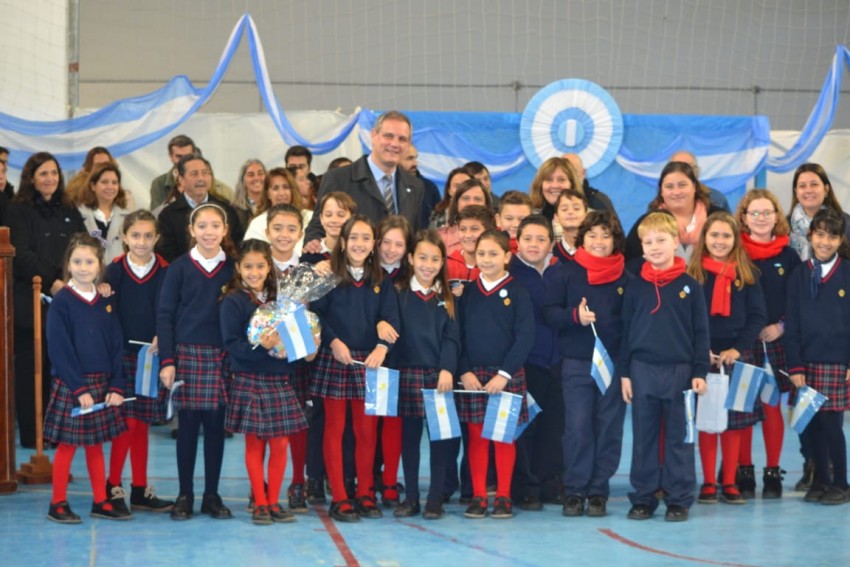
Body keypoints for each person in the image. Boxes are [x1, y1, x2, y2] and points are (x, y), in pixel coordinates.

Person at [309, 215, 401, 522]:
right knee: (334, 430)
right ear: (343, 242)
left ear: (374, 244)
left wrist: (382, 347)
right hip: (335, 359)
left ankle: (365, 492)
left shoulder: (381, 280)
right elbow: (316, 315)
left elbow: (392, 318)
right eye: (354, 238)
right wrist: (333, 341)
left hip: (369, 363)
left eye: (366, 238)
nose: (359, 244)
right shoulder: (328, 275)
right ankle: (339, 496)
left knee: (366, 432)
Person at [619, 212, 709, 522]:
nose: (655, 247)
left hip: (681, 373)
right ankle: (643, 497)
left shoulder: (691, 287)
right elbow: (625, 332)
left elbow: (701, 333)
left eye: (661, 240)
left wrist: (699, 372)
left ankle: (679, 498)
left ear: (675, 242)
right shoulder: (634, 288)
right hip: (642, 371)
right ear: (642, 248)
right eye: (648, 242)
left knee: (679, 438)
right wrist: (625, 373)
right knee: (643, 437)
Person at [544, 211, 631, 517]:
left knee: (609, 427)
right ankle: (575, 489)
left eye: (606, 235)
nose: (599, 241)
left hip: (613, 365)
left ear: (615, 240)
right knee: (578, 427)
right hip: (577, 364)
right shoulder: (565, 273)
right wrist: (574, 317)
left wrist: (627, 369)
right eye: (592, 235)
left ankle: (598, 491)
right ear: (582, 239)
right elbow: (549, 313)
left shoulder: (626, 278)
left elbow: (631, 326)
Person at [221, 239, 310, 524]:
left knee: (281, 443)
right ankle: (259, 502)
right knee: (255, 444)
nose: (254, 272)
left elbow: (296, 342)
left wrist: (307, 342)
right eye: (248, 266)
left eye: (260, 266)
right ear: (238, 268)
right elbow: (232, 344)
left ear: (268, 267)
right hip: (249, 378)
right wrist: (262, 345)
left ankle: (274, 501)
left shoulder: (281, 300)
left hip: (279, 379)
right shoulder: (233, 301)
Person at [157, 203, 235, 521]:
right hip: (187, 355)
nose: (209, 232)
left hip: (221, 356)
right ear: (191, 230)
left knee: (216, 429)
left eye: (215, 225)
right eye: (202, 226)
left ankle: (211, 496)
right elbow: (165, 315)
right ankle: (185, 494)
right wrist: (168, 360)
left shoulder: (234, 268)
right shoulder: (178, 268)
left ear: (225, 230)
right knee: (187, 428)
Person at [44, 233, 128, 523]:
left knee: (95, 444)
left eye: (89, 262)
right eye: (77, 261)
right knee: (67, 446)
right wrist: (79, 388)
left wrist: (117, 384)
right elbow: (59, 349)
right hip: (72, 385)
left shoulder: (106, 300)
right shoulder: (62, 302)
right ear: (68, 264)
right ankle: (57, 503)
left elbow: (116, 344)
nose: (83, 267)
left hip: (102, 382)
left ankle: (100, 501)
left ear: (99, 265)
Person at [4, 151, 86, 448]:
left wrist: (74, 280)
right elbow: (21, 253)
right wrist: (52, 281)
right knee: (32, 370)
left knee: (61, 368)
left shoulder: (69, 209)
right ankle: (33, 434)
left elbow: (82, 246)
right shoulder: (17, 210)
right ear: (31, 178)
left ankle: (58, 429)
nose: (50, 179)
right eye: (43, 174)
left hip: (67, 300)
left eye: (53, 173)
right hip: (31, 303)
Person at [686, 212, 767, 505]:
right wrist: (702, 349)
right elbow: (688, 318)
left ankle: (729, 482)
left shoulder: (748, 275)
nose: (720, 241)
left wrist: (738, 349)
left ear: (735, 240)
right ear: (704, 239)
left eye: (726, 236)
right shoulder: (693, 276)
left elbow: (757, 316)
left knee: (735, 423)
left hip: (738, 358)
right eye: (714, 235)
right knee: (708, 420)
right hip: (705, 357)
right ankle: (709, 482)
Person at [456, 230, 534, 519]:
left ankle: (503, 496)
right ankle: (479, 495)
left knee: (504, 438)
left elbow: (525, 337)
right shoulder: (467, 294)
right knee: (477, 438)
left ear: (507, 256)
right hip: (474, 378)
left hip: (505, 378)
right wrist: (464, 371)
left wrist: (504, 374)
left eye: (493, 254)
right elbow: (457, 337)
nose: (486, 259)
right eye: (481, 254)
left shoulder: (518, 292)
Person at [104, 210, 174, 514]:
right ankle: (112, 485)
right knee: (126, 423)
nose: (142, 241)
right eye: (135, 235)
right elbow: (106, 313)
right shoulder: (114, 270)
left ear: (157, 238)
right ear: (124, 237)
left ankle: (139, 488)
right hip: (122, 357)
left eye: (148, 235)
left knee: (141, 423)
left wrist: (163, 336)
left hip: (151, 357)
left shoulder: (166, 270)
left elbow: (169, 310)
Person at [785, 163, 850, 491]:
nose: (825, 241)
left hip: (836, 362)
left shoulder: (847, 273)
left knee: (831, 425)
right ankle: (819, 482)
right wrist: (794, 365)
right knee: (808, 421)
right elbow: (792, 323)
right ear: (810, 236)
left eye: (832, 236)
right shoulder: (799, 275)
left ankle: (840, 483)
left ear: (841, 239)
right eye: (820, 235)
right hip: (806, 362)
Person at [736, 189, 800, 498]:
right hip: (743, 342)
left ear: (776, 217)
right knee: (744, 408)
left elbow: (798, 301)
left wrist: (781, 326)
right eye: (755, 213)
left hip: (775, 342)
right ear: (744, 218)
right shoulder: (735, 253)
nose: (761, 218)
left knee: (771, 406)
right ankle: (744, 470)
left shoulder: (789, 256)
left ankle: (773, 471)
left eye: (767, 212)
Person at [393, 230, 460, 519]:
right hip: (407, 375)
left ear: (443, 262)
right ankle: (411, 498)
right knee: (409, 439)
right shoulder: (398, 293)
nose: (428, 265)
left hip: (439, 378)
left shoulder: (448, 297)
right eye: (422, 258)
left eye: (435, 259)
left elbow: (452, 338)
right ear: (410, 258)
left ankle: (435, 499)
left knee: (440, 440)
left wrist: (447, 368)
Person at [508, 215, 565, 510]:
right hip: (525, 363)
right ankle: (525, 487)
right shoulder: (510, 275)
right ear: (517, 241)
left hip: (557, 363)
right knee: (524, 427)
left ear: (551, 244)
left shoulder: (560, 273)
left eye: (541, 239)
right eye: (528, 238)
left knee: (553, 427)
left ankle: (549, 484)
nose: (534, 244)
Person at [303, 111, 425, 246]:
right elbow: (316, 230)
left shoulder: (415, 186)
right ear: (373, 135)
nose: (395, 144)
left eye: (402, 139)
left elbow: (415, 236)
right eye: (388, 136)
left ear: (408, 144)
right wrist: (315, 251)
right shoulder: (338, 178)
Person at [373, 215, 412, 507]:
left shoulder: (411, 277)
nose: (391, 249)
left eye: (399, 244)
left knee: (393, 424)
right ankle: (365, 476)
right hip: (372, 358)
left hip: (400, 360)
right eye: (386, 242)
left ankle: (389, 480)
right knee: (367, 425)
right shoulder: (367, 273)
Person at [624, 161, 724, 263]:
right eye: (669, 187)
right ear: (661, 191)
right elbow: (629, 262)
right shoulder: (647, 223)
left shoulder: (719, 217)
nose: (676, 192)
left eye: (682, 185)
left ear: (694, 187)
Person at [156, 154, 243, 263]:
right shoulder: (168, 215)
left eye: (205, 173)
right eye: (194, 174)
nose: (201, 178)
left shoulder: (226, 211)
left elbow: (237, 247)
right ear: (181, 180)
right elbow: (167, 253)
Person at [787, 163, 850, 262]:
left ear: (826, 189)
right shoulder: (784, 226)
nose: (808, 190)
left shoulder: (845, 223)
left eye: (814, 184)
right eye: (802, 186)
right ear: (796, 192)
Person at [149, 135, 232, 209]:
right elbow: (156, 216)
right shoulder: (159, 184)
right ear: (171, 156)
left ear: (194, 154)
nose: (183, 160)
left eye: (187, 156)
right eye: (179, 156)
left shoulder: (220, 188)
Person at [77, 162, 131, 263]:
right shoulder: (78, 215)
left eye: (114, 183)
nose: (110, 187)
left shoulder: (128, 217)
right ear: (93, 186)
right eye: (104, 182)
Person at [244, 167, 309, 246]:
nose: (281, 193)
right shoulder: (258, 223)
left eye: (286, 187)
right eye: (275, 188)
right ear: (268, 194)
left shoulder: (309, 217)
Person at [446, 205, 496, 295]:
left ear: (488, 232)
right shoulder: (446, 265)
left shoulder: (495, 267)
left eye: (474, 229)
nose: (468, 235)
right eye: (463, 229)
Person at [529, 158, 581, 238]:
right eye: (548, 179)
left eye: (561, 180)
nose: (555, 185)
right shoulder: (529, 218)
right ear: (540, 185)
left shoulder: (588, 219)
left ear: (572, 184)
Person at [299, 192, 356, 265]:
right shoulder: (310, 255)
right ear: (321, 218)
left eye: (341, 215)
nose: (334, 220)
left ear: (352, 218)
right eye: (328, 215)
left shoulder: (359, 253)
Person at [438, 178, 493, 254]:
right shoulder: (440, 238)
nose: (471, 203)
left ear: (486, 205)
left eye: (477, 199)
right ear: (456, 203)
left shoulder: (498, 237)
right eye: (465, 198)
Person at [400, 144, 441, 226]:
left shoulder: (429, 188)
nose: (415, 163)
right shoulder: (388, 187)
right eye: (409, 158)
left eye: (416, 158)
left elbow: (438, 223)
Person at [552, 189, 589, 263]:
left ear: (586, 215)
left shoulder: (594, 250)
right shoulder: (551, 253)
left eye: (576, 208)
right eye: (564, 209)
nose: (570, 212)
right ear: (556, 217)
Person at [230, 159, 267, 231]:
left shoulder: (273, 206)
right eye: (251, 175)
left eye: (260, 174)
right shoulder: (234, 211)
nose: (257, 178)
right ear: (243, 181)